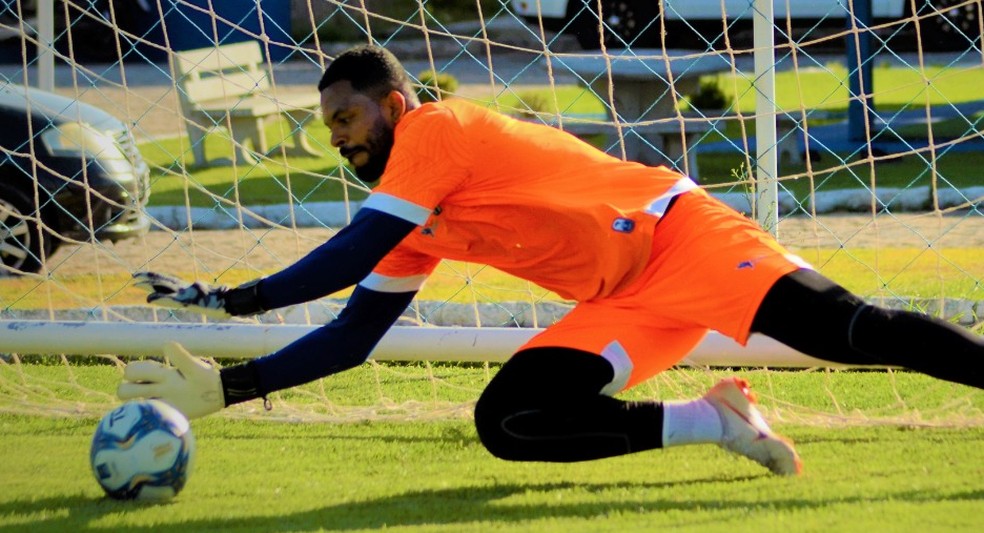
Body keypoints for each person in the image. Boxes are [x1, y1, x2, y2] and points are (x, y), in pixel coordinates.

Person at [119, 45, 984, 477]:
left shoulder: (435, 131)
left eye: (346, 122)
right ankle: (713, 420)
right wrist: (231, 388)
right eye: (330, 131)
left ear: (393, 105)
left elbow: (349, 251)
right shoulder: (409, 213)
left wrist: (239, 300)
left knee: (849, 332)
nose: (341, 143)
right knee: (510, 422)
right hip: (627, 301)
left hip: (681, 236)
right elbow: (352, 337)